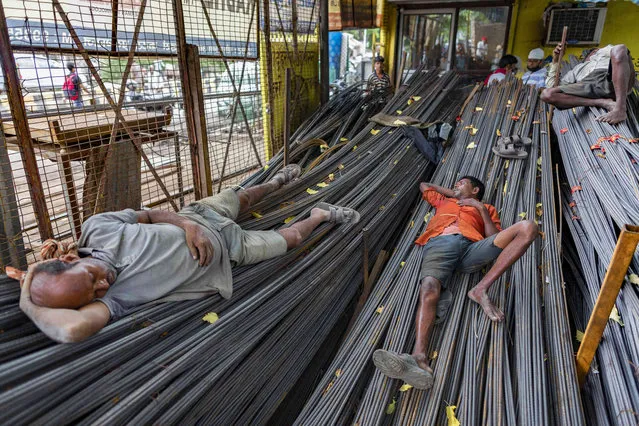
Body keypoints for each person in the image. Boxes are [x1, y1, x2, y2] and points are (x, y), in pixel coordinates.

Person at [9, 165, 360, 343]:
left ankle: (280, 179)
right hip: (228, 251)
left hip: (197, 216)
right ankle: (321, 215)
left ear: (70, 260)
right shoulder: (114, 299)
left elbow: (148, 215)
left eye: (90, 278)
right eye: (93, 294)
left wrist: (187, 226)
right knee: (289, 240)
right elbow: (72, 330)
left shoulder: (97, 228)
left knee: (246, 196)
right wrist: (28, 297)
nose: (103, 285)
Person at [372, 177, 537, 390]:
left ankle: (480, 289)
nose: (457, 184)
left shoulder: (487, 207)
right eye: (456, 183)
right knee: (429, 287)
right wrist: (454, 193)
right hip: (442, 242)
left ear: (476, 189)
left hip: (473, 249)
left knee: (528, 226)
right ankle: (419, 356)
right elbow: (424, 186)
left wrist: (480, 208)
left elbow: (494, 237)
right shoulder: (444, 201)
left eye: (463, 182)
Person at [540, 44, 635, 124]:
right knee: (546, 94)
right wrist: (555, 60)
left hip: (613, 79)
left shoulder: (607, 52)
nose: (594, 54)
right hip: (588, 85)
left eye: (596, 51)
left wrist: (605, 51)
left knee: (620, 48)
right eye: (591, 53)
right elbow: (553, 86)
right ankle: (601, 102)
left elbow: (621, 56)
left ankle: (620, 109)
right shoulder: (578, 69)